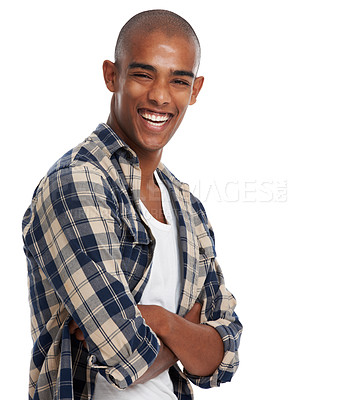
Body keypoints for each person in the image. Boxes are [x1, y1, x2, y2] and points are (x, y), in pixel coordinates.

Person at [22, 9, 242, 400]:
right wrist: (189, 331)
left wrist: (161, 323)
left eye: (178, 80)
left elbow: (223, 361)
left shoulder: (187, 206)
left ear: (195, 90)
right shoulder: (77, 183)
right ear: (112, 75)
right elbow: (127, 358)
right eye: (143, 74)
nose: (160, 96)